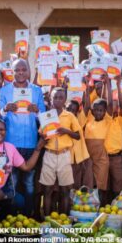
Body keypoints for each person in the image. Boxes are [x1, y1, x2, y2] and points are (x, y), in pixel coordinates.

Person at [0, 58, 46, 216]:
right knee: (11, 182)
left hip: (31, 144)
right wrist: (5, 109)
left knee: (29, 184)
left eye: (23, 69)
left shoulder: (36, 90)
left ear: (28, 71)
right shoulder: (4, 91)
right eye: (17, 70)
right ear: (12, 72)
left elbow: (44, 117)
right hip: (11, 144)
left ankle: (28, 216)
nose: (20, 73)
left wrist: (37, 110)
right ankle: (10, 218)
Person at [0, 117, 46, 218]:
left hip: (3, 191)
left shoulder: (10, 147)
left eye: (1, 129)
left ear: (6, 131)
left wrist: (38, 149)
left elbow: (26, 167)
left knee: (20, 201)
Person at [39, 87, 81, 215]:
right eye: (55, 97)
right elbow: (41, 133)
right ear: (51, 100)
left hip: (64, 155)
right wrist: (44, 134)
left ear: (65, 100)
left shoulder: (70, 116)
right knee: (47, 190)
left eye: (60, 98)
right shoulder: (46, 116)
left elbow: (78, 135)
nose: (57, 100)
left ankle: (64, 221)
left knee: (65, 190)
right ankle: (46, 220)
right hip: (49, 155)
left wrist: (66, 131)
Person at [104, 76, 122, 198]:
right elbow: (107, 103)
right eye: (112, 105)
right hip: (104, 157)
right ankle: (104, 206)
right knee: (105, 184)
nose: (114, 107)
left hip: (117, 157)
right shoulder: (106, 119)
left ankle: (118, 206)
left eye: (116, 105)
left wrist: (118, 85)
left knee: (118, 184)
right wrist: (108, 84)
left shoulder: (120, 120)